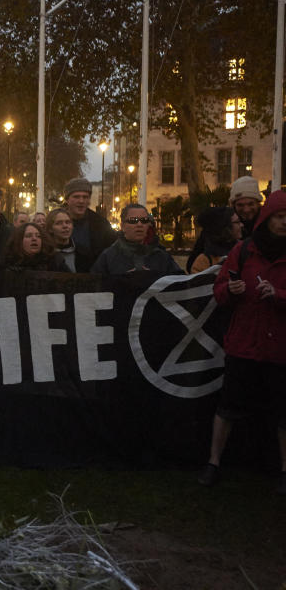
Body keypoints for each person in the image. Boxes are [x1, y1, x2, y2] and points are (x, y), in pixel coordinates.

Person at [198, 190, 286, 494]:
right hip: (244, 342)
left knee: (282, 412)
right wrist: (230, 289)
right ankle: (213, 462)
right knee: (228, 406)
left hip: (279, 347)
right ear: (268, 218)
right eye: (280, 217)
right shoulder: (245, 250)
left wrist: (280, 296)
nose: (284, 223)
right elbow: (220, 289)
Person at [90, 204, 182, 275]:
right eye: (133, 220)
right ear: (122, 226)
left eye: (144, 220)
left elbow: (179, 284)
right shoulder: (108, 257)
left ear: (148, 225)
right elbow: (96, 288)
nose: (139, 224)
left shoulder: (162, 257)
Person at [63, 177, 117, 269]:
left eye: (85, 197)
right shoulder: (56, 222)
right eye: (76, 197)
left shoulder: (101, 224)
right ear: (67, 199)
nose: (81, 201)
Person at [188, 207, 243, 274]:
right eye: (237, 222)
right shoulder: (204, 261)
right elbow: (198, 283)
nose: (242, 225)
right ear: (224, 228)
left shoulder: (247, 250)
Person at [2, 222, 66, 271]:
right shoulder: (8, 264)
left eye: (38, 236)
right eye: (29, 236)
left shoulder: (55, 261)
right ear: (19, 241)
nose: (34, 239)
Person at [45, 208, 91, 272]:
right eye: (59, 223)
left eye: (68, 222)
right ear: (50, 229)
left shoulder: (82, 253)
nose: (65, 226)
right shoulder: (45, 253)